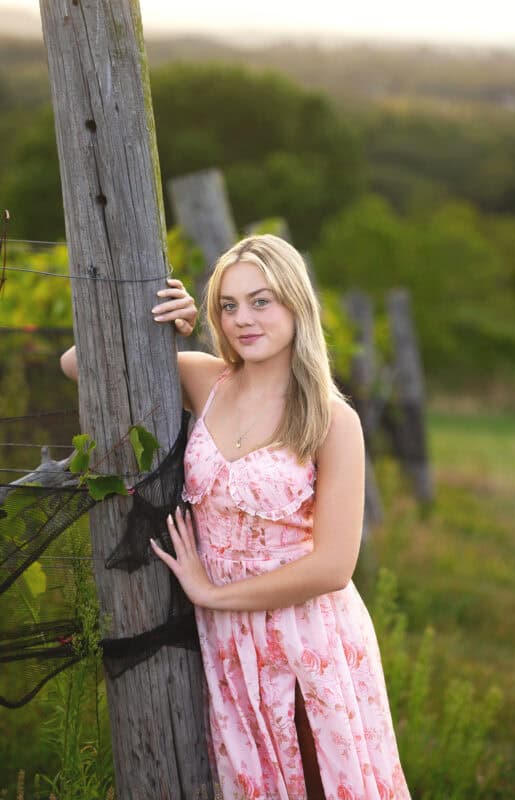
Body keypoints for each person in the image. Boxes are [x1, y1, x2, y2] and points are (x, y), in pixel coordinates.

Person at [61, 234, 411, 800]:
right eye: (228, 305)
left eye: (261, 301)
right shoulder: (209, 381)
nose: (242, 319)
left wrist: (211, 594)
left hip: (306, 640)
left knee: (315, 783)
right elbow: (80, 364)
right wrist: (151, 325)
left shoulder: (331, 420)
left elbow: (333, 566)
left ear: (296, 304)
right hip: (227, 642)